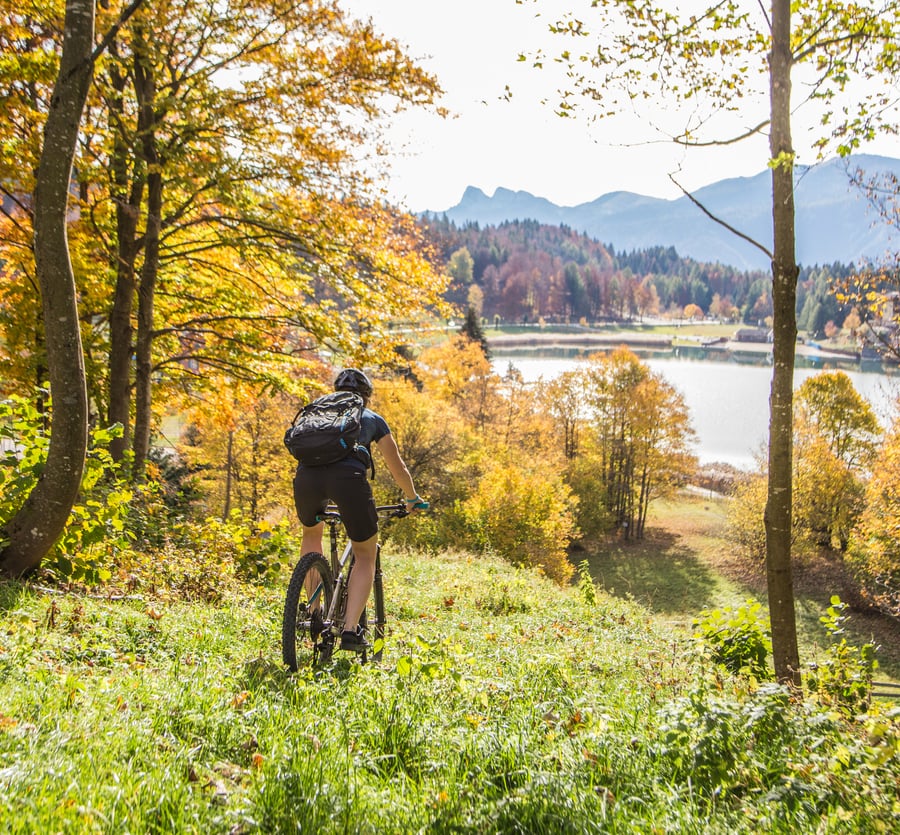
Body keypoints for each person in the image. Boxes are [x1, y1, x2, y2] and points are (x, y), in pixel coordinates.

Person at [292, 368, 426, 651]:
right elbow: (397, 466)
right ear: (366, 397)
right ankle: (351, 630)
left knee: (310, 535)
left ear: (335, 391)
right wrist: (412, 498)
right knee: (365, 554)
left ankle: (314, 612)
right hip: (348, 482)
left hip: (306, 478)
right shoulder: (371, 418)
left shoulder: (319, 413)